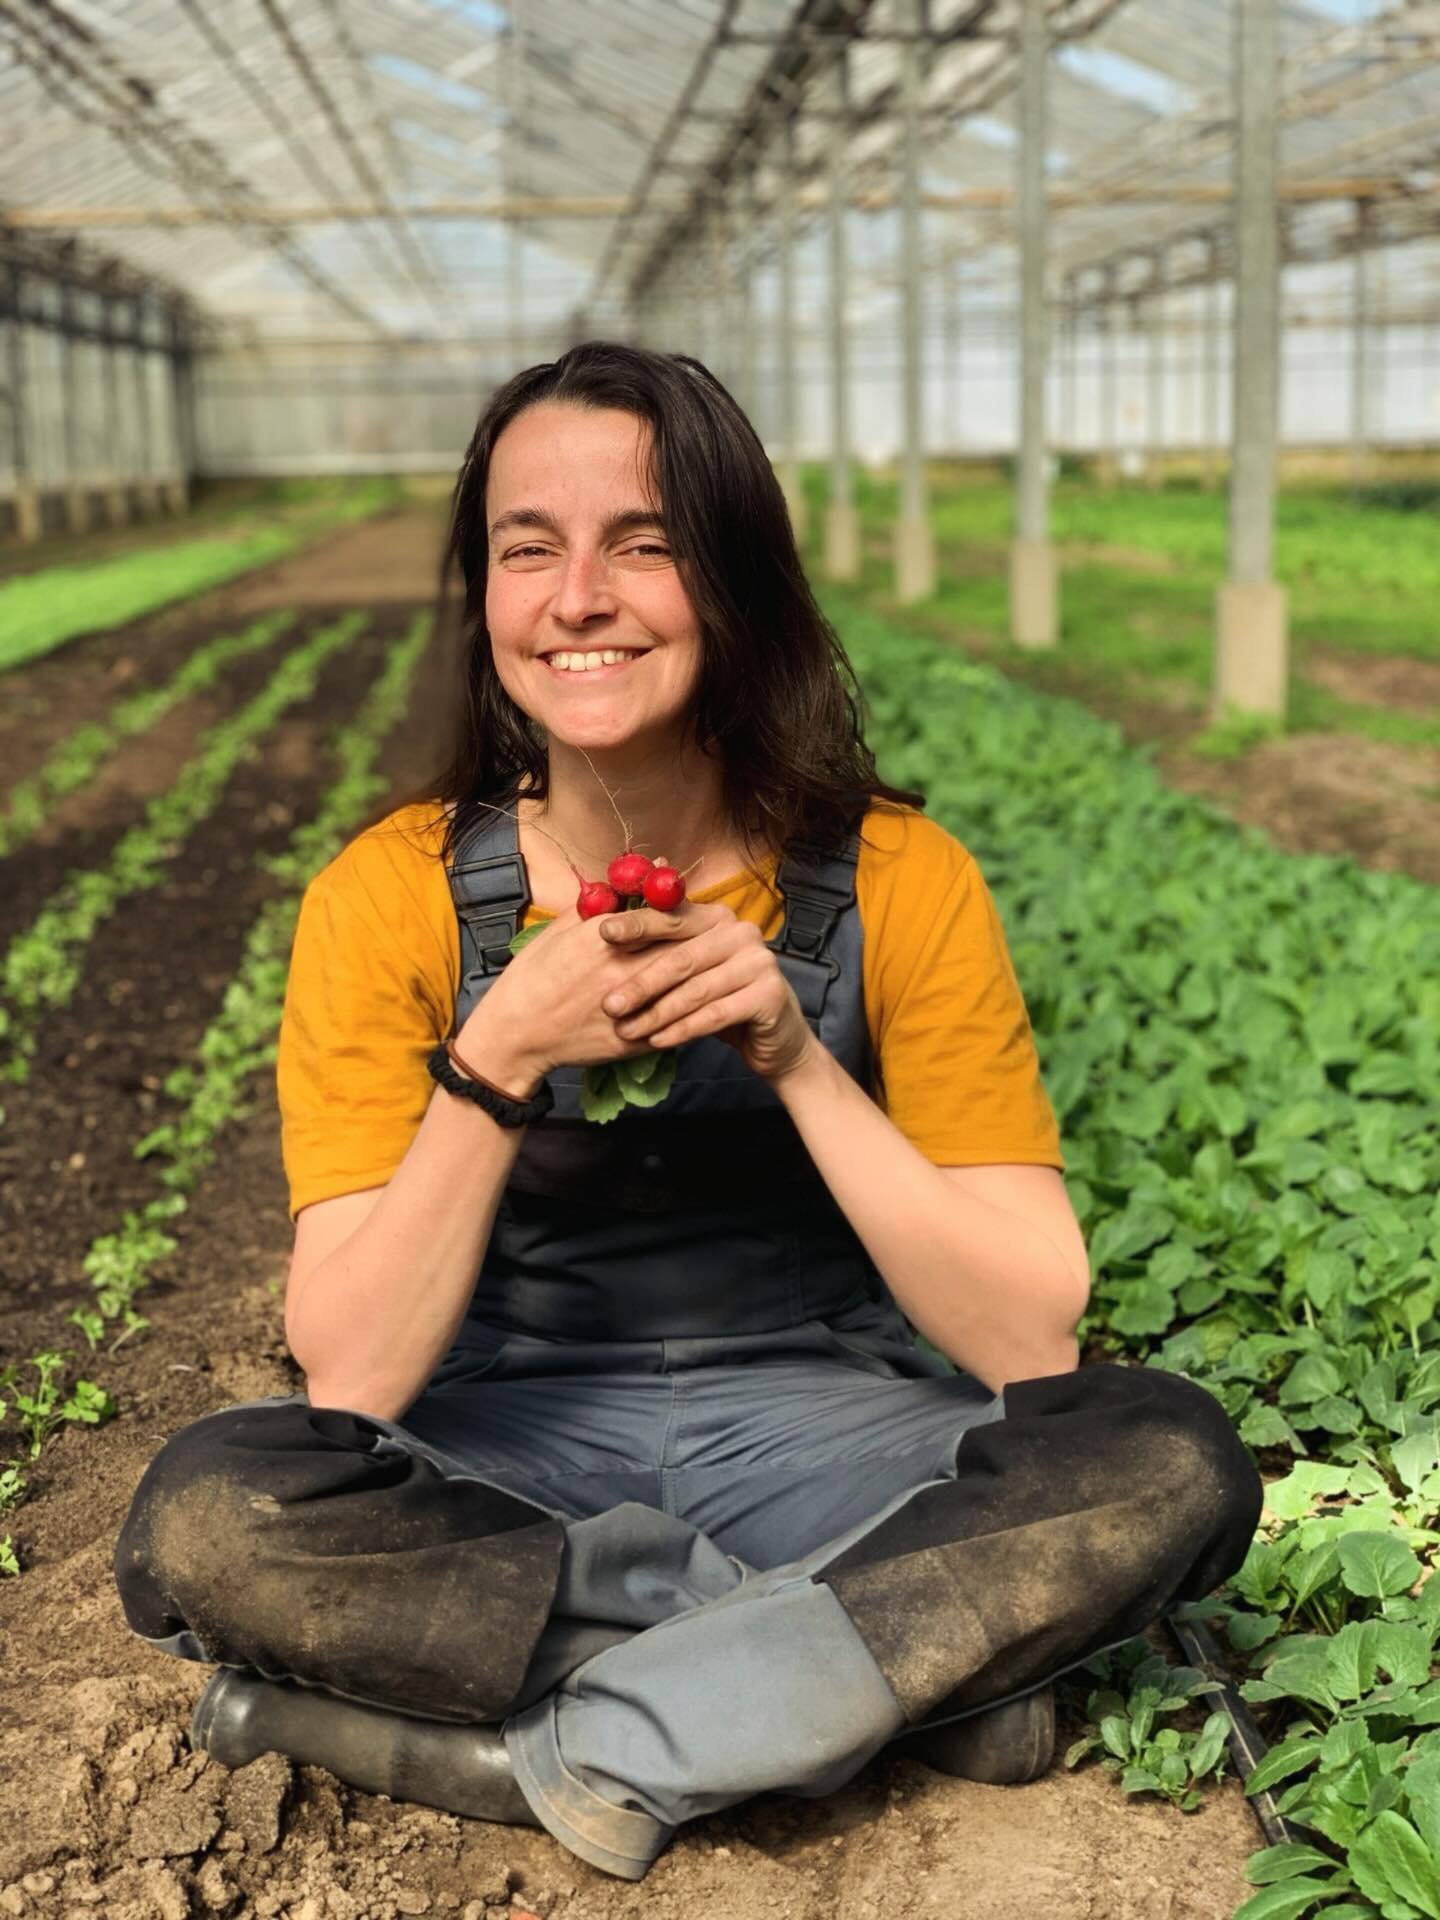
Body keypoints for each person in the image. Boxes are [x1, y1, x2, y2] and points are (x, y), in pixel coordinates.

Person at [113, 341, 1262, 1884]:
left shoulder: (898, 880)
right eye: (531, 549)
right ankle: (868, 1677)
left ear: (733, 578)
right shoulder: (386, 898)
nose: (579, 599)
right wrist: (497, 1056)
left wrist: (795, 1054)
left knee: (1168, 1457)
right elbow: (357, 1372)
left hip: (831, 1432)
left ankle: (564, 1748)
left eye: (643, 546)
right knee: (212, 1516)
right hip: (504, 1444)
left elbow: (1028, 1335)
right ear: (486, 594)